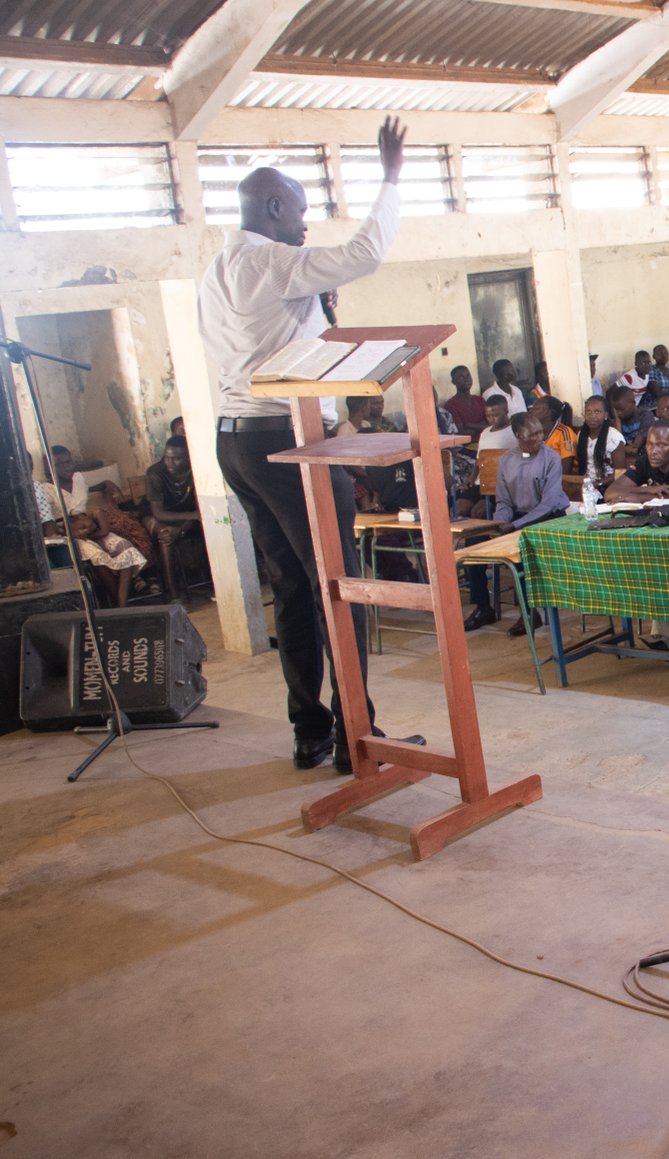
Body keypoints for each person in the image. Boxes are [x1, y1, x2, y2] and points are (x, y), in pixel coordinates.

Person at [202, 115, 419, 774]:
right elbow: (364, 252)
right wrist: (390, 179)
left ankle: (311, 730)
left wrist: (320, 306)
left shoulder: (219, 267)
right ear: (273, 206)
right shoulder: (270, 259)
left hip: (236, 442)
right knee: (338, 584)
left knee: (293, 588)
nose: (304, 225)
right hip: (289, 441)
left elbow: (289, 339)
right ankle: (361, 736)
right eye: (299, 211)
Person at [463, 412, 568, 633]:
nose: (540, 438)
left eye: (541, 432)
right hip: (517, 518)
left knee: (519, 546)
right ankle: (483, 607)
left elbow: (548, 504)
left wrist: (516, 526)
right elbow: (503, 500)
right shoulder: (507, 460)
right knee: (473, 544)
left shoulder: (551, 458)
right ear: (519, 435)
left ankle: (529, 612)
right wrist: (499, 522)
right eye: (534, 434)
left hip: (548, 518)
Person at [144, 436, 202, 599]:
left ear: (187, 457)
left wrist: (183, 529)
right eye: (166, 457)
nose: (169, 463)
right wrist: (194, 517)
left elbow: (201, 510)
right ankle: (173, 593)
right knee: (166, 535)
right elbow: (158, 513)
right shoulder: (155, 472)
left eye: (176, 459)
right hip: (159, 517)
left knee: (215, 526)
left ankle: (215, 581)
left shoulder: (195, 470)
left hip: (186, 517)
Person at [604, 421, 669, 503]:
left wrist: (639, 498)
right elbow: (610, 493)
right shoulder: (645, 461)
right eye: (650, 444)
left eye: (661, 445)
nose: (653, 451)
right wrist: (649, 489)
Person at [575, 394, 627, 481]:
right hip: (586, 484)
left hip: (608, 485)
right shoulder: (581, 435)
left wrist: (599, 484)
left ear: (606, 415)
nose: (592, 416)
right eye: (588, 411)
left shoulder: (614, 437)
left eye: (597, 412)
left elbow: (620, 473)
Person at [533, 395, 577, 474]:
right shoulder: (534, 432)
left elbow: (565, 471)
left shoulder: (565, 433)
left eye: (535, 409)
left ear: (547, 412)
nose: (531, 411)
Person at [442, 365, 486, 437]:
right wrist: (482, 427)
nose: (466, 379)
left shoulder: (479, 400)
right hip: (468, 446)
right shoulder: (451, 405)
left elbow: (492, 425)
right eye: (461, 377)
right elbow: (461, 432)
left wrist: (469, 425)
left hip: (487, 441)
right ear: (453, 382)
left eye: (468, 376)